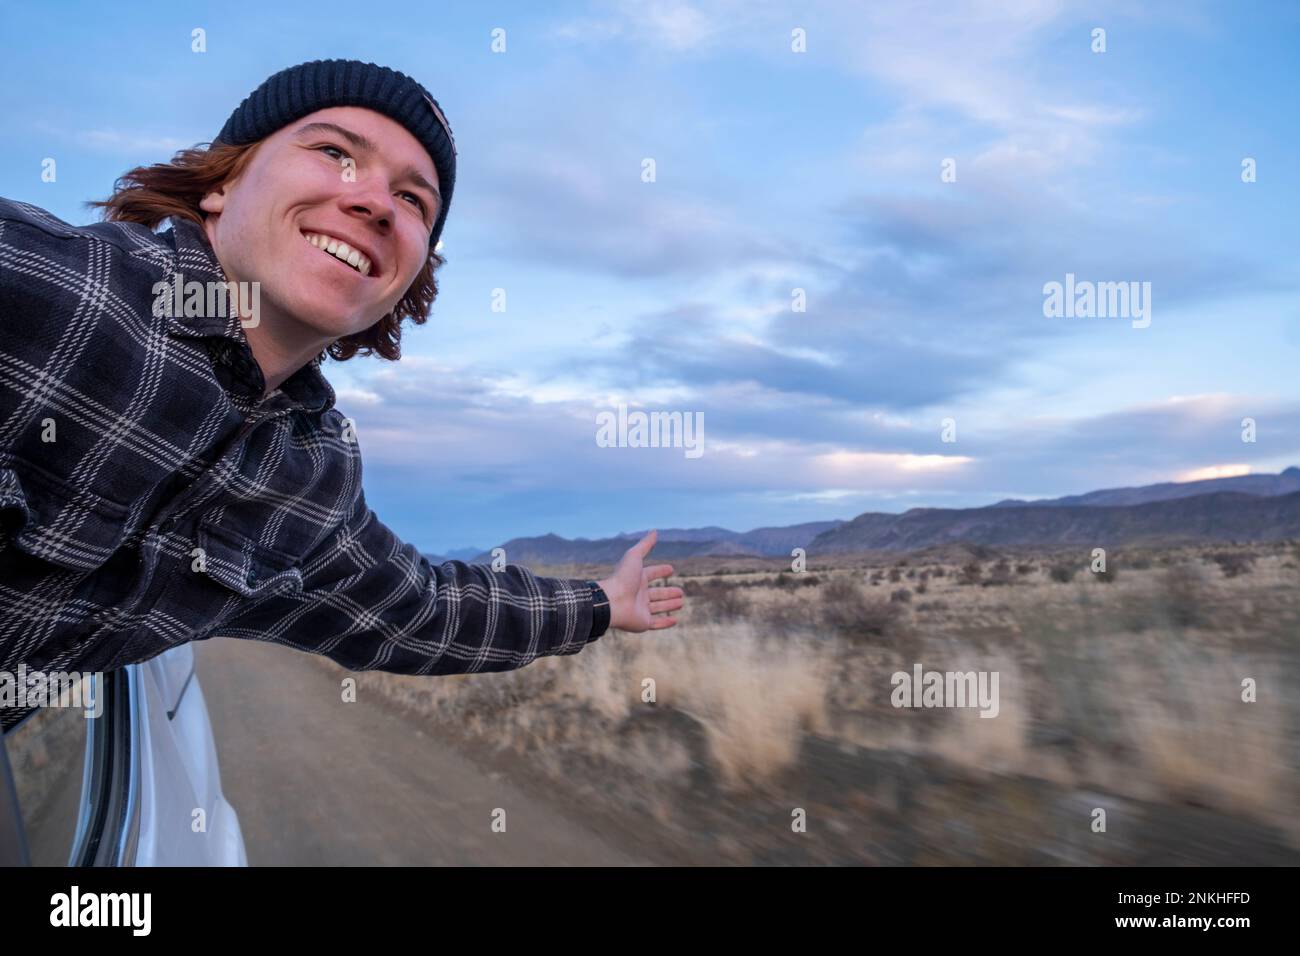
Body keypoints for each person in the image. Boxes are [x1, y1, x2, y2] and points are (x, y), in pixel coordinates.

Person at [0, 59, 683, 730]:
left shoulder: (307, 476)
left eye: (414, 199)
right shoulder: (40, 282)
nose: (376, 203)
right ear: (222, 182)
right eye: (335, 152)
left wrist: (602, 604)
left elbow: (423, 610)